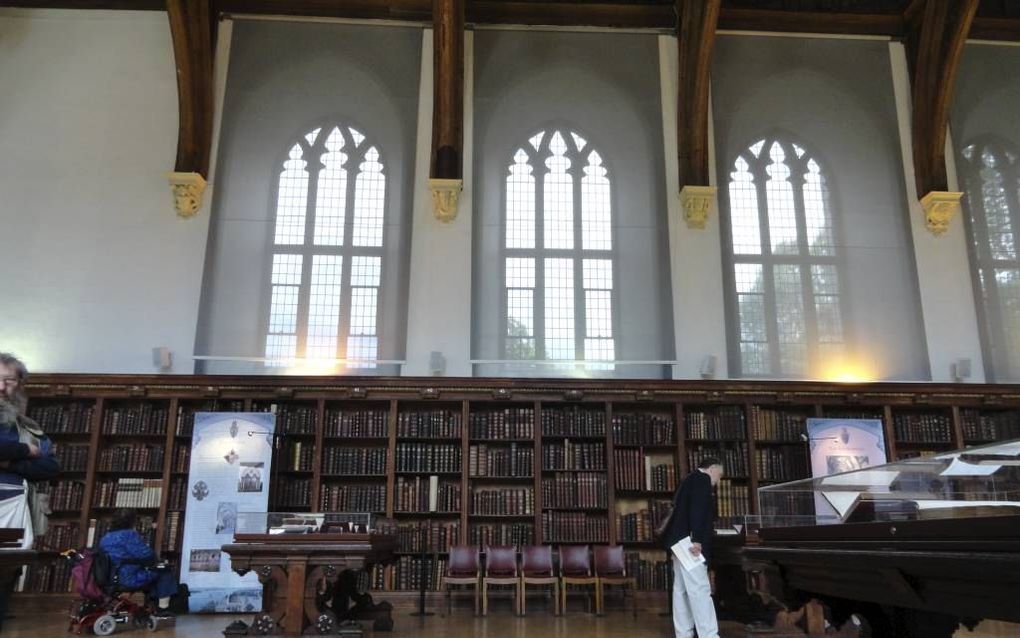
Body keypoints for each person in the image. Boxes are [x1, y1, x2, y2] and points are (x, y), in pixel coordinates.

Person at [0, 352, 60, 630]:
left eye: (9, 381)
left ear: (20, 386)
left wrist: (10, 461)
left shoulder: (30, 428)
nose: (2, 387)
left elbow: (49, 467)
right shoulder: (28, 441)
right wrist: (25, 452)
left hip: (13, 509)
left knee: (5, 569)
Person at [660, 457, 723, 638]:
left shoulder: (688, 479)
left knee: (680, 591)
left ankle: (683, 633)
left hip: (677, 543)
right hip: (690, 543)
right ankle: (709, 635)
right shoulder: (702, 480)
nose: (718, 480)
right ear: (711, 469)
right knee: (700, 590)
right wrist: (697, 539)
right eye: (718, 474)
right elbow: (698, 510)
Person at [98, 508, 178, 615]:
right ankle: (163, 609)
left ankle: (151, 605)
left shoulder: (105, 538)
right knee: (163, 572)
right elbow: (146, 554)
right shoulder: (129, 535)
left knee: (153, 573)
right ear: (132, 520)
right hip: (129, 578)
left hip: (110, 577)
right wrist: (157, 561)